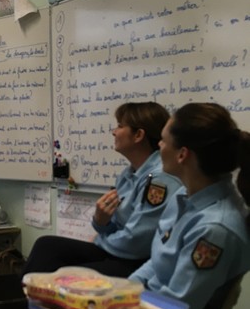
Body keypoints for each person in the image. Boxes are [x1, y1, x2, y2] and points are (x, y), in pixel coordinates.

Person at [21, 102, 182, 278]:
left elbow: (136, 242)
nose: (114, 132)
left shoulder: (160, 179)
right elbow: (115, 226)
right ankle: (25, 294)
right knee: (47, 246)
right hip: (119, 252)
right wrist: (101, 222)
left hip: (140, 262)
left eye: (120, 126)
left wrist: (99, 240)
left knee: (69, 277)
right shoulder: (128, 175)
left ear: (138, 135)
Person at [129, 103, 250, 309]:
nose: (159, 146)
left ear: (182, 154)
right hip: (152, 308)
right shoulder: (184, 197)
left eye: (163, 140)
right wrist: (122, 291)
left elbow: (176, 307)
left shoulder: (215, 228)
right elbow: (158, 262)